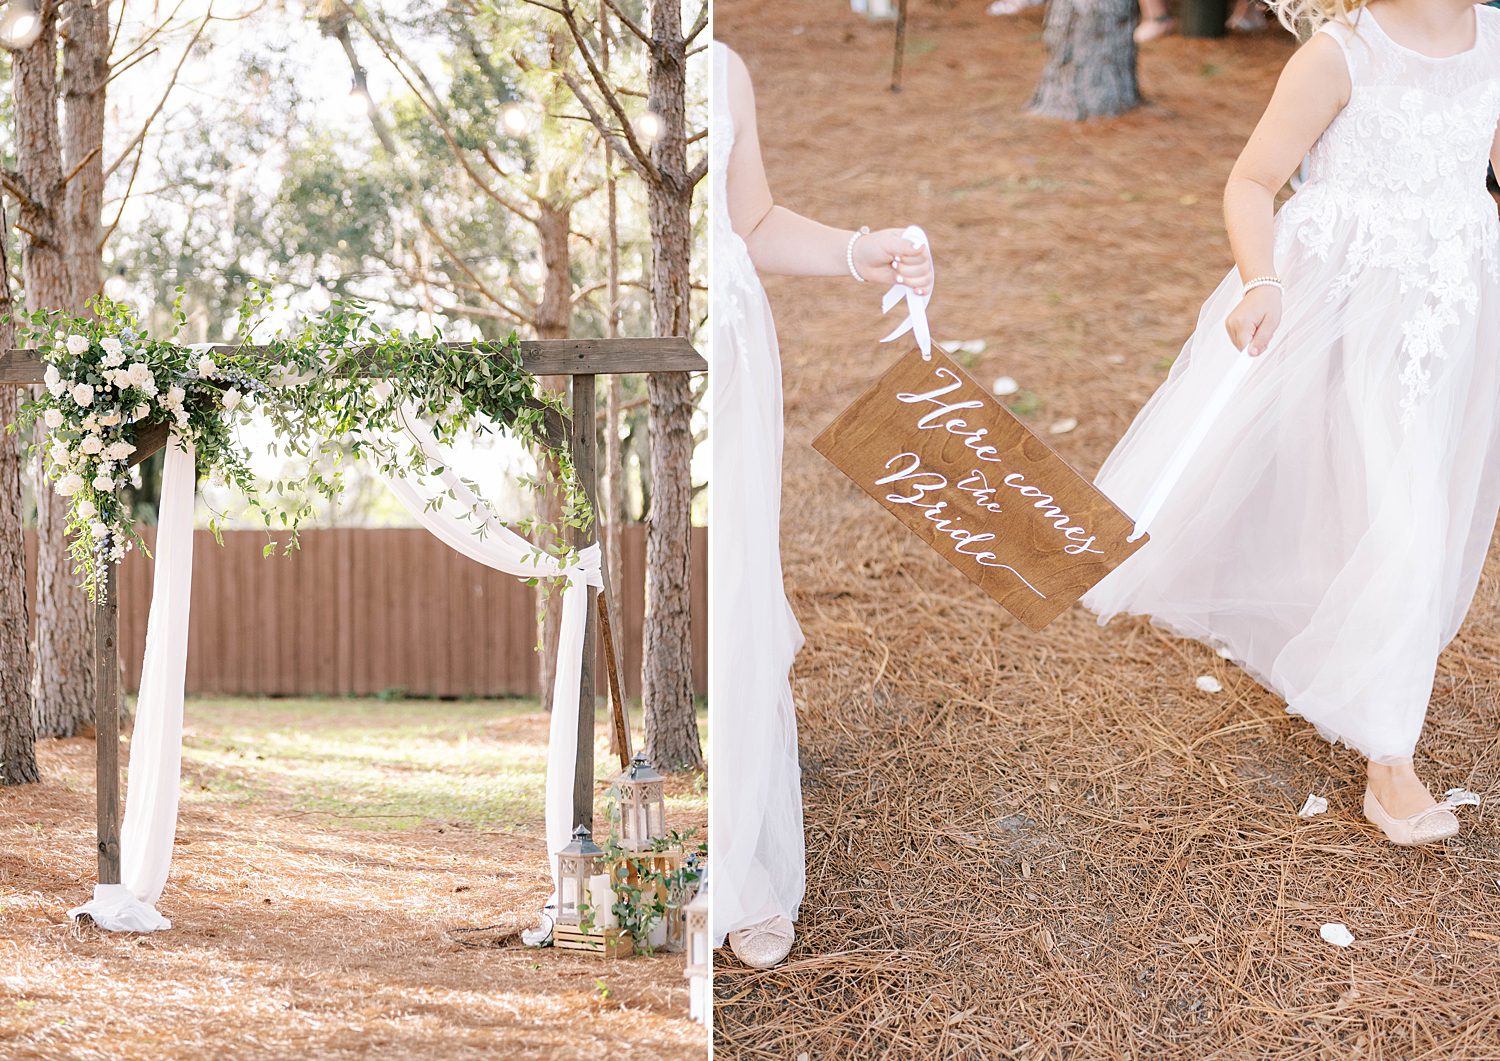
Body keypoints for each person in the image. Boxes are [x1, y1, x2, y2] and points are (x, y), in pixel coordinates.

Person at [1082, 0, 1500, 846]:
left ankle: (1354, 665)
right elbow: (1250, 180)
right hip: (1345, 307)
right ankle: (1392, 758)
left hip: (1451, 308)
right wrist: (1259, 281)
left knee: (1416, 500)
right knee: (1402, 512)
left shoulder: (1495, 43)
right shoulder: (1341, 56)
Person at [709, 40, 934, 968]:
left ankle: (740, 850)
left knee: (732, 591)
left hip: (731, 347)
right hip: (645, 346)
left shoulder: (723, 60)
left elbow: (748, 219)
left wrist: (856, 252)